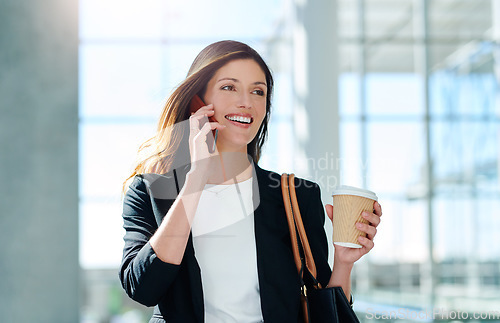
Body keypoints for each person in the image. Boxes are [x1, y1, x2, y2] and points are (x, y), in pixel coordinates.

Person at [119, 40, 382, 323]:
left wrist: (343, 262)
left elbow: (324, 315)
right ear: (198, 101)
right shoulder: (150, 191)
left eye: (258, 91)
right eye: (229, 87)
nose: (246, 102)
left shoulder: (294, 196)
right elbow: (143, 288)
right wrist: (196, 179)